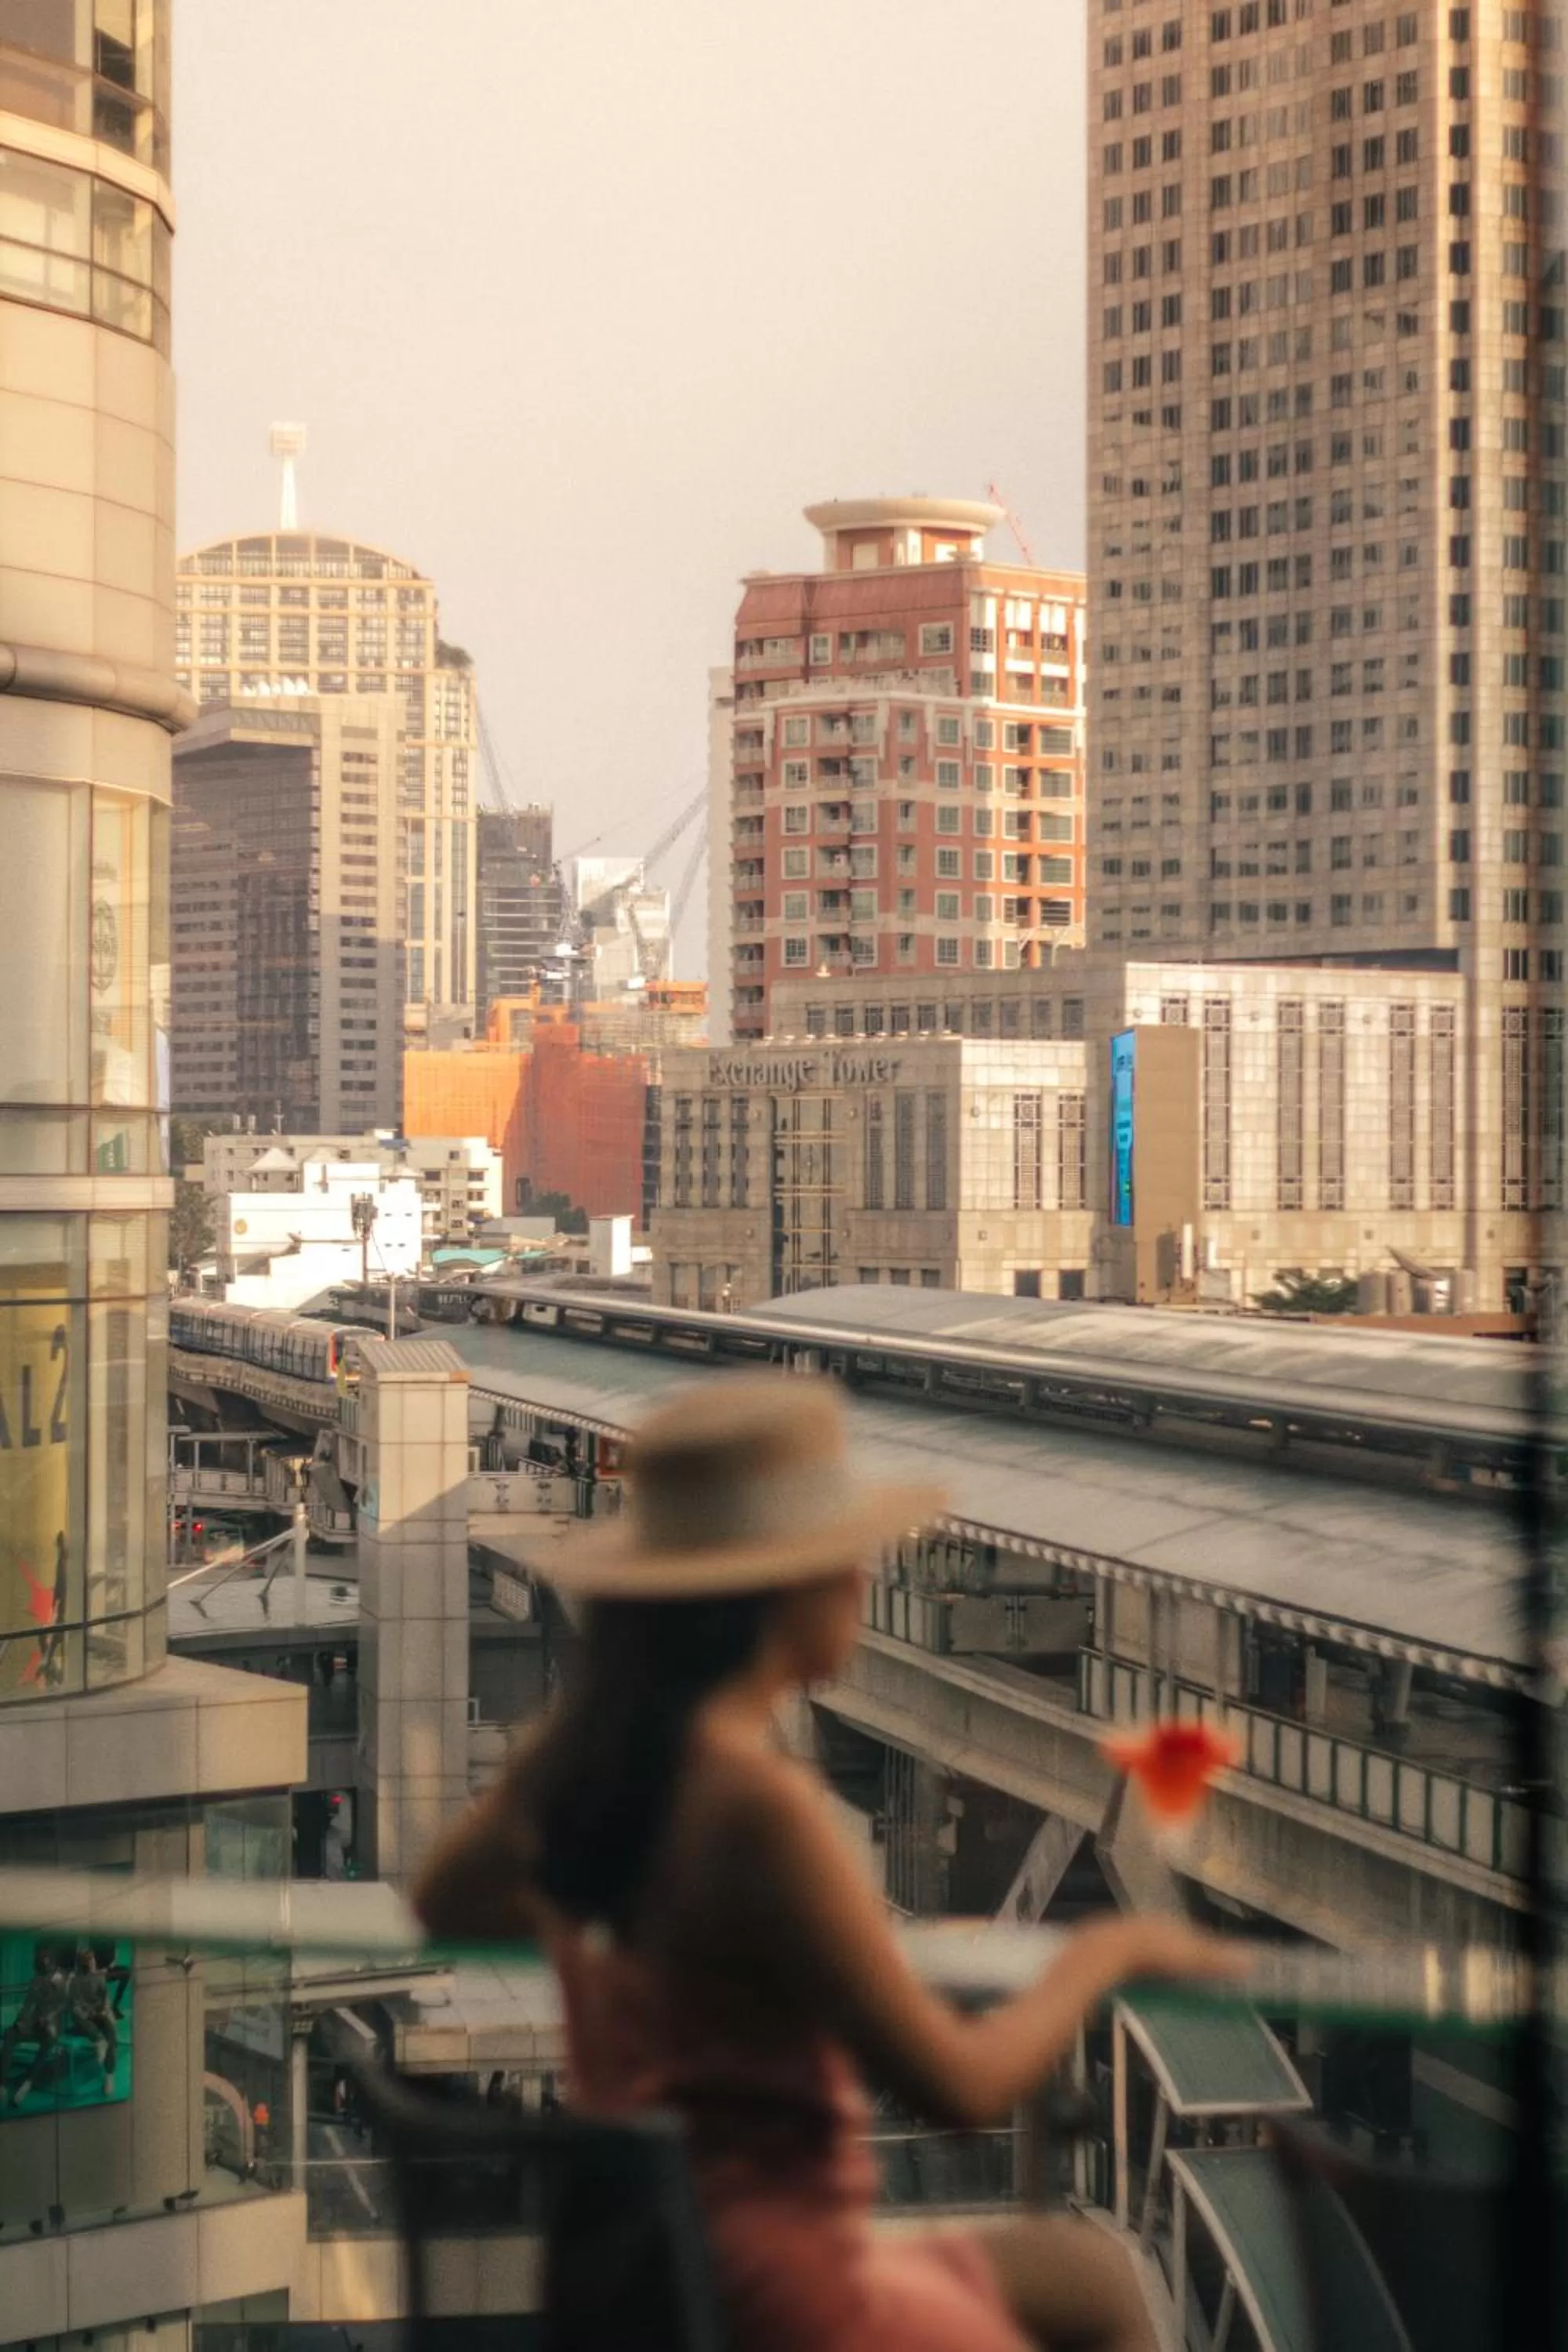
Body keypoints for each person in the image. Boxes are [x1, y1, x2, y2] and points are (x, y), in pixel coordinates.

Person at [416, 1375, 1238, 2352]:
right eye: (845, 1556)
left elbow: (448, 1904)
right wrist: (1100, 1957)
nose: (862, 1580)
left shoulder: (582, 1766)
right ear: (779, 1592)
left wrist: (744, 1952)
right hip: (786, 2298)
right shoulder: (759, 1807)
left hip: (635, 2276)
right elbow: (962, 2092)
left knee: (1075, 2272)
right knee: (1098, 2294)